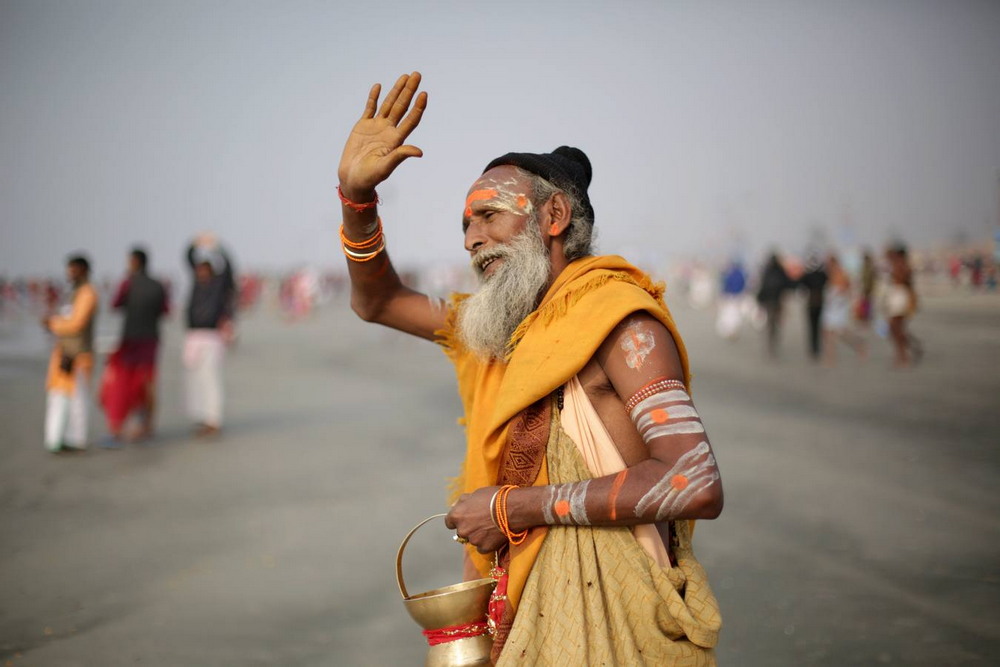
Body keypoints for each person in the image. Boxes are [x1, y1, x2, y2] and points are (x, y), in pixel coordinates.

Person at [337, 72, 722, 664]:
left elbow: (693, 478)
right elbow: (378, 300)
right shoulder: (492, 333)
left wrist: (510, 507)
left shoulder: (619, 323)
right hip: (516, 619)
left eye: (489, 215)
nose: (472, 238)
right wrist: (356, 200)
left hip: (618, 625)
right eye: (466, 225)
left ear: (554, 216)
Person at [99, 247, 169, 445]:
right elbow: (165, 310)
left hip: (130, 340)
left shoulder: (127, 283)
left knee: (125, 382)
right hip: (151, 339)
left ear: (136, 262)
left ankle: (119, 425)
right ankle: (147, 424)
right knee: (148, 382)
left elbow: (114, 305)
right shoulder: (158, 285)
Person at [41, 255, 99, 453]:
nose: (70, 273)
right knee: (58, 396)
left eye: (74, 269)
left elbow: (77, 323)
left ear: (84, 270)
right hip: (63, 353)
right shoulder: (72, 293)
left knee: (78, 400)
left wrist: (53, 323)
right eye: (69, 269)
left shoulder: (87, 293)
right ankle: (55, 439)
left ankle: (78, 439)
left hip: (79, 355)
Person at [183, 235, 235, 437]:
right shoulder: (196, 283)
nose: (202, 272)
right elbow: (187, 257)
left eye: (205, 269)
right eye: (199, 269)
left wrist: (217, 246)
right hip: (192, 336)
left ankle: (213, 419)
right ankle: (201, 417)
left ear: (211, 271)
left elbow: (229, 266)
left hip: (212, 337)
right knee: (194, 379)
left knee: (210, 378)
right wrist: (195, 242)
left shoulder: (218, 285)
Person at [820, 254, 866, 366]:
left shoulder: (842, 273)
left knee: (841, 332)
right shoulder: (828, 275)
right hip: (830, 306)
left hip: (839, 306)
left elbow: (848, 289)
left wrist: (845, 299)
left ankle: (859, 345)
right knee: (827, 332)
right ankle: (830, 357)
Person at [883, 244, 922, 368]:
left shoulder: (903, 266)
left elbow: (906, 283)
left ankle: (903, 357)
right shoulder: (896, 265)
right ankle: (905, 353)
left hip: (901, 297)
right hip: (896, 296)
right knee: (894, 329)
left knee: (896, 328)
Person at [756, 251, 793, 357]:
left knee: (771, 323)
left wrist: (760, 300)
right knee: (775, 323)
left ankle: (771, 343)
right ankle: (773, 342)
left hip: (771, 302)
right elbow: (788, 284)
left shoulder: (768, 271)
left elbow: (763, 287)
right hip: (777, 301)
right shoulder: (780, 272)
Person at [798, 252, 828, 361]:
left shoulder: (808, 275)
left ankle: (813, 348)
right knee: (818, 326)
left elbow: (800, 286)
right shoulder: (822, 274)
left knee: (811, 327)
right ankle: (817, 348)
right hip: (820, 302)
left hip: (811, 303)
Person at [715, 259, 746, 340]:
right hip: (737, 297)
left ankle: (730, 331)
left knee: (729, 314)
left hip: (729, 296)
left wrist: (723, 294)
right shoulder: (741, 274)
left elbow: (725, 285)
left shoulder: (730, 274)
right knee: (735, 314)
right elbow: (743, 285)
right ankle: (732, 331)